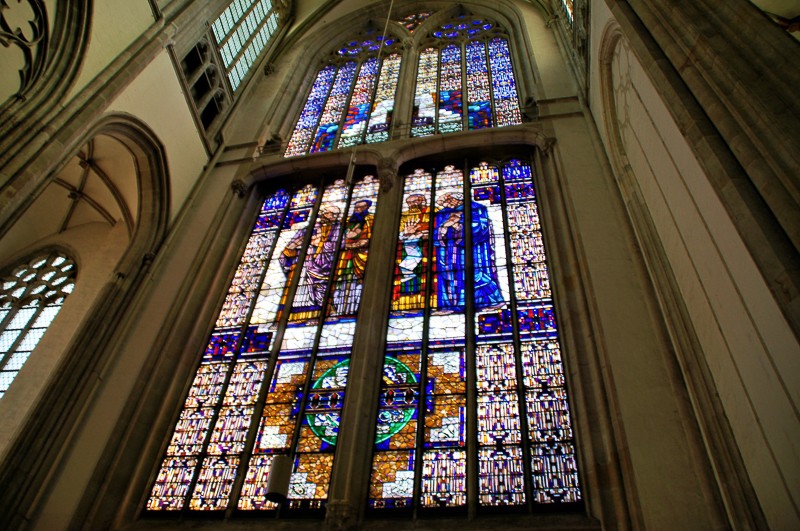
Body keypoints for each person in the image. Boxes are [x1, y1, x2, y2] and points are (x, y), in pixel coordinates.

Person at [433, 192, 503, 311]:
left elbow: (481, 228)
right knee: (453, 276)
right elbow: (436, 235)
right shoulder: (443, 213)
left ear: (458, 198)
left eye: (449, 200)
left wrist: (458, 225)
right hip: (449, 251)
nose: (447, 203)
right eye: (445, 202)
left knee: (476, 274)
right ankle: (458, 304)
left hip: (471, 250)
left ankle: (495, 299)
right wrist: (444, 226)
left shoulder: (476, 208)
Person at [283, 204, 341, 319]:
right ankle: (300, 316)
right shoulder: (311, 228)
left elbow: (341, 244)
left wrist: (321, 244)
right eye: (328, 213)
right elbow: (293, 245)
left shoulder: (339, 229)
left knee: (323, 288)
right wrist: (296, 246)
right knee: (303, 288)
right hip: (307, 263)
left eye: (334, 215)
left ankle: (324, 312)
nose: (331, 216)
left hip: (327, 265)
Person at [332, 200, 374, 315]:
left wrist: (351, 244)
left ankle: (355, 309)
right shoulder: (346, 222)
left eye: (361, 207)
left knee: (358, 282)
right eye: (356, 208)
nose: (358, 210)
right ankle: (339, 309)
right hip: (344, 258)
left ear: (366, 208)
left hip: (362, 256)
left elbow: (369, 239)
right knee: (341, 281)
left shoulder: (370, 220)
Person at [392, 194, 429, 310]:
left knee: (420, 273)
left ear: (422, 201)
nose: (412, 205)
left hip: (425, 247)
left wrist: (420, 232)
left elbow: (435, 227)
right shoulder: (404, 216)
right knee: (405, 272)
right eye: (409, 203)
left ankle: (422, 302)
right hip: (406, 248)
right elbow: (398, 233)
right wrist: (406, 233)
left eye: (415, 202)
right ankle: (404, 303)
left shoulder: (430, 212)